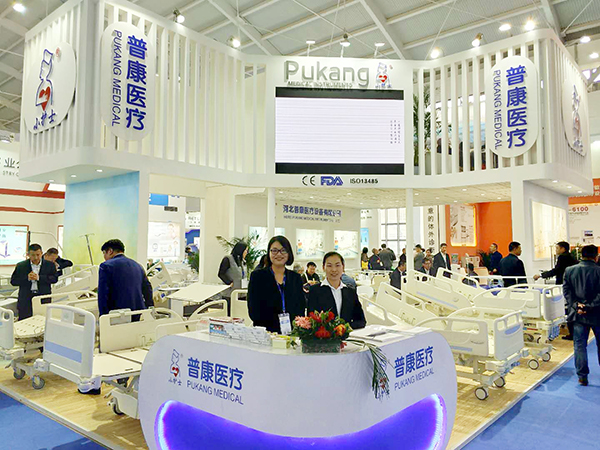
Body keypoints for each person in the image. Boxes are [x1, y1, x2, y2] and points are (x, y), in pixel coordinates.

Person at [247, 236, 305, 333]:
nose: (279, 254)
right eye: (274, 250)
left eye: (283, 250)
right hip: (266, 332)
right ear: (269, 253)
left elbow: (300, 307)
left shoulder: (295, 278)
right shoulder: (257, 276)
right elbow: (253, 309)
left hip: (292, 332)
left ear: (289, 253)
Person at [562, 244, 600, 386]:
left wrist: (576, 305)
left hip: (578, 314)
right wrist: (590, 306)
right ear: (596, 257)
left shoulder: (569, 270)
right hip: (597, 314)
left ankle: (582, 376)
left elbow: (567, 291)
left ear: (581, 255)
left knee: (579, 346)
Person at [307, 252, 366, 329]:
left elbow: (361, 320)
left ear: (343, 267)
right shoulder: (315, 291)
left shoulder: (350, 291)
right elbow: (311, 320)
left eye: (337, 265)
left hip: (348, 335)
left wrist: (344, 328)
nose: (334, 270)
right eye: (329, 266)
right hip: (324, 335)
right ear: (323, 267)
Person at [533, 241, 578, 340]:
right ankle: (573, 332)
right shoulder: (572, 257)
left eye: (557, 248)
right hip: (572, 285)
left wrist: (541, 275)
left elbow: (556, 271)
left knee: (567, 308)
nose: (556, 250)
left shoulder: (563, 257)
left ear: (563, 249)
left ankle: (572, 333)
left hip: (564, 285)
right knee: (571, 308)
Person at [97, 239, 153, 316]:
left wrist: (103, 316)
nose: (104, 257)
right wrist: (149, 308)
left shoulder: (106, 266)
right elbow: (147, 289)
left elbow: (103, 295)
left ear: (110, 251)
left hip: (118, 314)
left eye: (104, 253)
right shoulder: (138, 266)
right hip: (138, 312)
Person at [10, 243, 58, 320]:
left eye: (38, 255)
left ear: (42, 253)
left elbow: (54, 279)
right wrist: (27, 278)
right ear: (28, 254)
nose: (36, 257)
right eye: (33, 255)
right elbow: (13, 281)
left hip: (43, 298)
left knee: (42, 321)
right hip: (25, 299)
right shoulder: (21, 266)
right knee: (24, 321)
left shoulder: (50, 265)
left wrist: (39, 278)